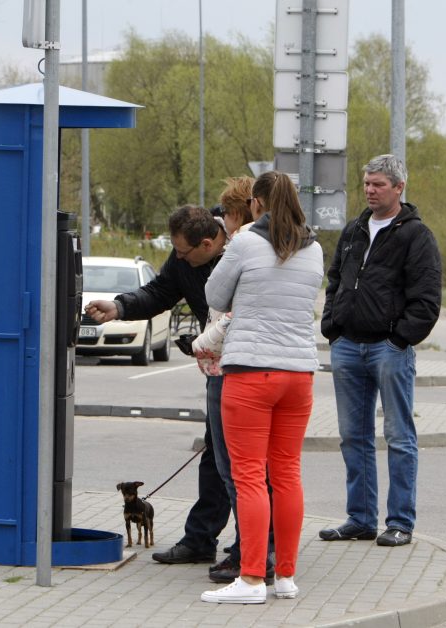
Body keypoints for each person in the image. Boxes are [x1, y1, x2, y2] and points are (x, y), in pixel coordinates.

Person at [199, 171, 323, 604]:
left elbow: (215, 295)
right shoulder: (315, 248)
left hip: (251, 372)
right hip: (299, 374)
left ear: (257, 203)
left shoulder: (248, 241)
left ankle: (251, 579)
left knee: (249, 477)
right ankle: (285, 576)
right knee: (286, 474)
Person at [85, 204, 231, 571]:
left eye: (183, 251)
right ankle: (201, 540)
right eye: (176, 252)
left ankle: (256, 545)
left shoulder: (240, 253)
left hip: (248, 367)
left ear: (209, 243)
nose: (177, 257)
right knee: (215, 456)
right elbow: (160, 291)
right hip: (218, 366)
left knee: (241, 462)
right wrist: (119, 307)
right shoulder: (185, 261)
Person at [318, 154, 442, 548]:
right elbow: (335, 278)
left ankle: (401, 522)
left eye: (378, 185)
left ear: (399, 187)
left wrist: (399, 338)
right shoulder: (354, 229)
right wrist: (332, 327)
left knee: (399, 436)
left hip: (390, 349)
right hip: (348, 347)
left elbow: (426, 299)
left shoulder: (416, 235)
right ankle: (360, 519)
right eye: (367, 183)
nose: (370, 190)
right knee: (353, 436)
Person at [188, 177, 270, 585]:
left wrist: (201, 344)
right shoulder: (289, 246)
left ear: (238, 212)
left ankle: (249, 553)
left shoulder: (242, 247)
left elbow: (220, 304)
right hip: (273, 368)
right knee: (265, 470)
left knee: (234, 469)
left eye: (225, 213)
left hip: (228, 368)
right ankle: (266, 550)